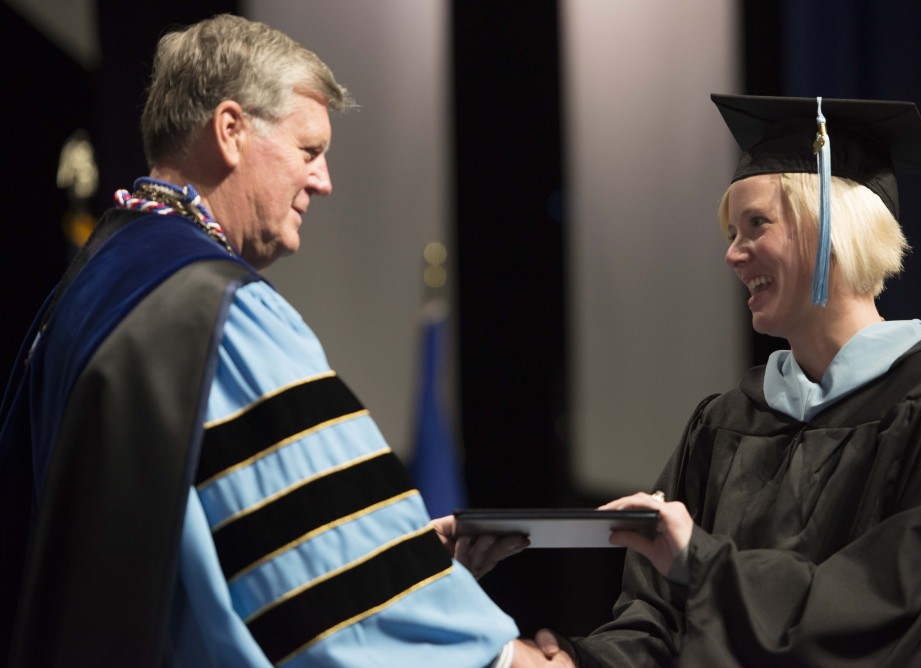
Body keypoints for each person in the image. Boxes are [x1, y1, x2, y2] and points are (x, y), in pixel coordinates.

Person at [0, 13, 570, 667]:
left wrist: (392, 549)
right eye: (309, 150)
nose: (323, 180)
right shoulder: (213, 307)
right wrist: (504, 657)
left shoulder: (92, 282)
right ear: (232, 131)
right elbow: (318, 577)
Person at [534, 94, 921, 666]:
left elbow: (902, 605)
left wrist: (702, 565)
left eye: (756, 225)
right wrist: (577, 662)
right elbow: (655, 621)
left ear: (832, 225)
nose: (733, 254)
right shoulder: (724, 424)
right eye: (732, 232)